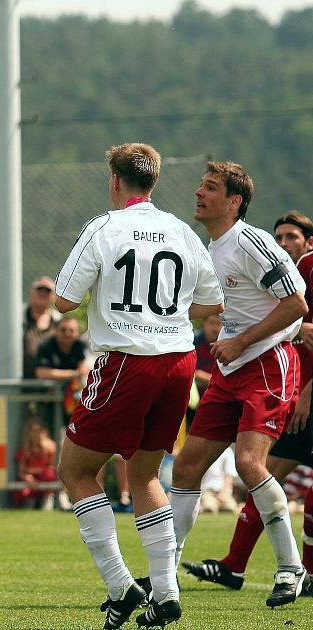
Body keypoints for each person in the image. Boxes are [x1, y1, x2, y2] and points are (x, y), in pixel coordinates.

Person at [54, 143, 224, 629]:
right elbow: (213, 301)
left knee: (75, 470)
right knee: (146, 475)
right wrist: (167, 314)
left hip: (128, 360)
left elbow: (63, 301)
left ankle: (120, 585)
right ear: (154, 181)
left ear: (115, 180)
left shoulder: (104, 227)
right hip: (179, 363)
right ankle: (166, 593)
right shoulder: (181, 230)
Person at [170, 162, 309, 610]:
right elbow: (208, 306)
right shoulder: (211, 248)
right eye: (201, 185)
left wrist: (242, 340)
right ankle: (163, 574)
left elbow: (297, 304)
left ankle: (290, 568)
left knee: (250, 464)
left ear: (234, 202)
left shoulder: (251, 241)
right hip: (232, 371)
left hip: (268, 364)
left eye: (210, 187)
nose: (198, 192)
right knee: (187, 468)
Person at [12, 418, 58, 509]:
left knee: (48, 474)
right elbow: (21, 471)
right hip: (31, 480)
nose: (35, 434)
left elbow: (53, 468)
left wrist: (34, 471)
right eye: (32, 431)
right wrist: (27, 477)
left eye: (38, 431)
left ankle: (48, 499)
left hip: (45, 480)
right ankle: (29, 503)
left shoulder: (50, 447)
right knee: (22, 491)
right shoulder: (24, 449)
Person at [23, 276, 61, 379]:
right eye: (39, 289)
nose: (43, 293)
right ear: (31, 292)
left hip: (52, 382)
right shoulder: (17, 318)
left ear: (53, 296)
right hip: (20, 381)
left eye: (47, 290)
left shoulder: (59, 322)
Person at [199, 447, 239, 513]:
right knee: (209, 508)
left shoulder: (227, 451)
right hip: (206, 491)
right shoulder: (201, 450)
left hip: (223, 490)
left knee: (229, 508)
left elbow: (229, 475)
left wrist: (224, 492)